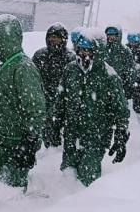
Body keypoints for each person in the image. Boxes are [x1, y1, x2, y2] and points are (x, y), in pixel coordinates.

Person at [0, 14, 46, 191]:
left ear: (9, 38)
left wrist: (29, 143)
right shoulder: (6, 63)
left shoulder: (23, 67)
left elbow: (35, 109)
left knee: (10, 193)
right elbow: (6, 97)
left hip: (15, 144)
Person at [52, 34, 130, 186]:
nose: (84, 54)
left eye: (89, 51)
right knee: (68, 175)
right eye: (81, 50)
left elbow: (120, 108)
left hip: (96, 136)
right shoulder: (70, 69)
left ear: (97, 51)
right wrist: (56, 123)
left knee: (87, 179)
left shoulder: (109, 75)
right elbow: (60, 99)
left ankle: (87, 207)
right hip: (71, 134)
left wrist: (121, 134)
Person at [32, 23, 74, 147]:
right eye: (51, 36)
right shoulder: (40, 55)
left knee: (57, 133)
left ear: (64, 39)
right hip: (41, 98)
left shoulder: (70, 58)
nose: (54, 39)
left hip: (61, 100)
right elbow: (32, 76)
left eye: (57, 37)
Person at [103, 25, 136, 100]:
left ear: (118, 36)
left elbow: (131, 69)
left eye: (113, 35)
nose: (111, 37)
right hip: (104, 84)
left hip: (120, 85)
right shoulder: (102, 49)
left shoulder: (124, 51)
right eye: (109, 35)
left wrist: (128, 83)